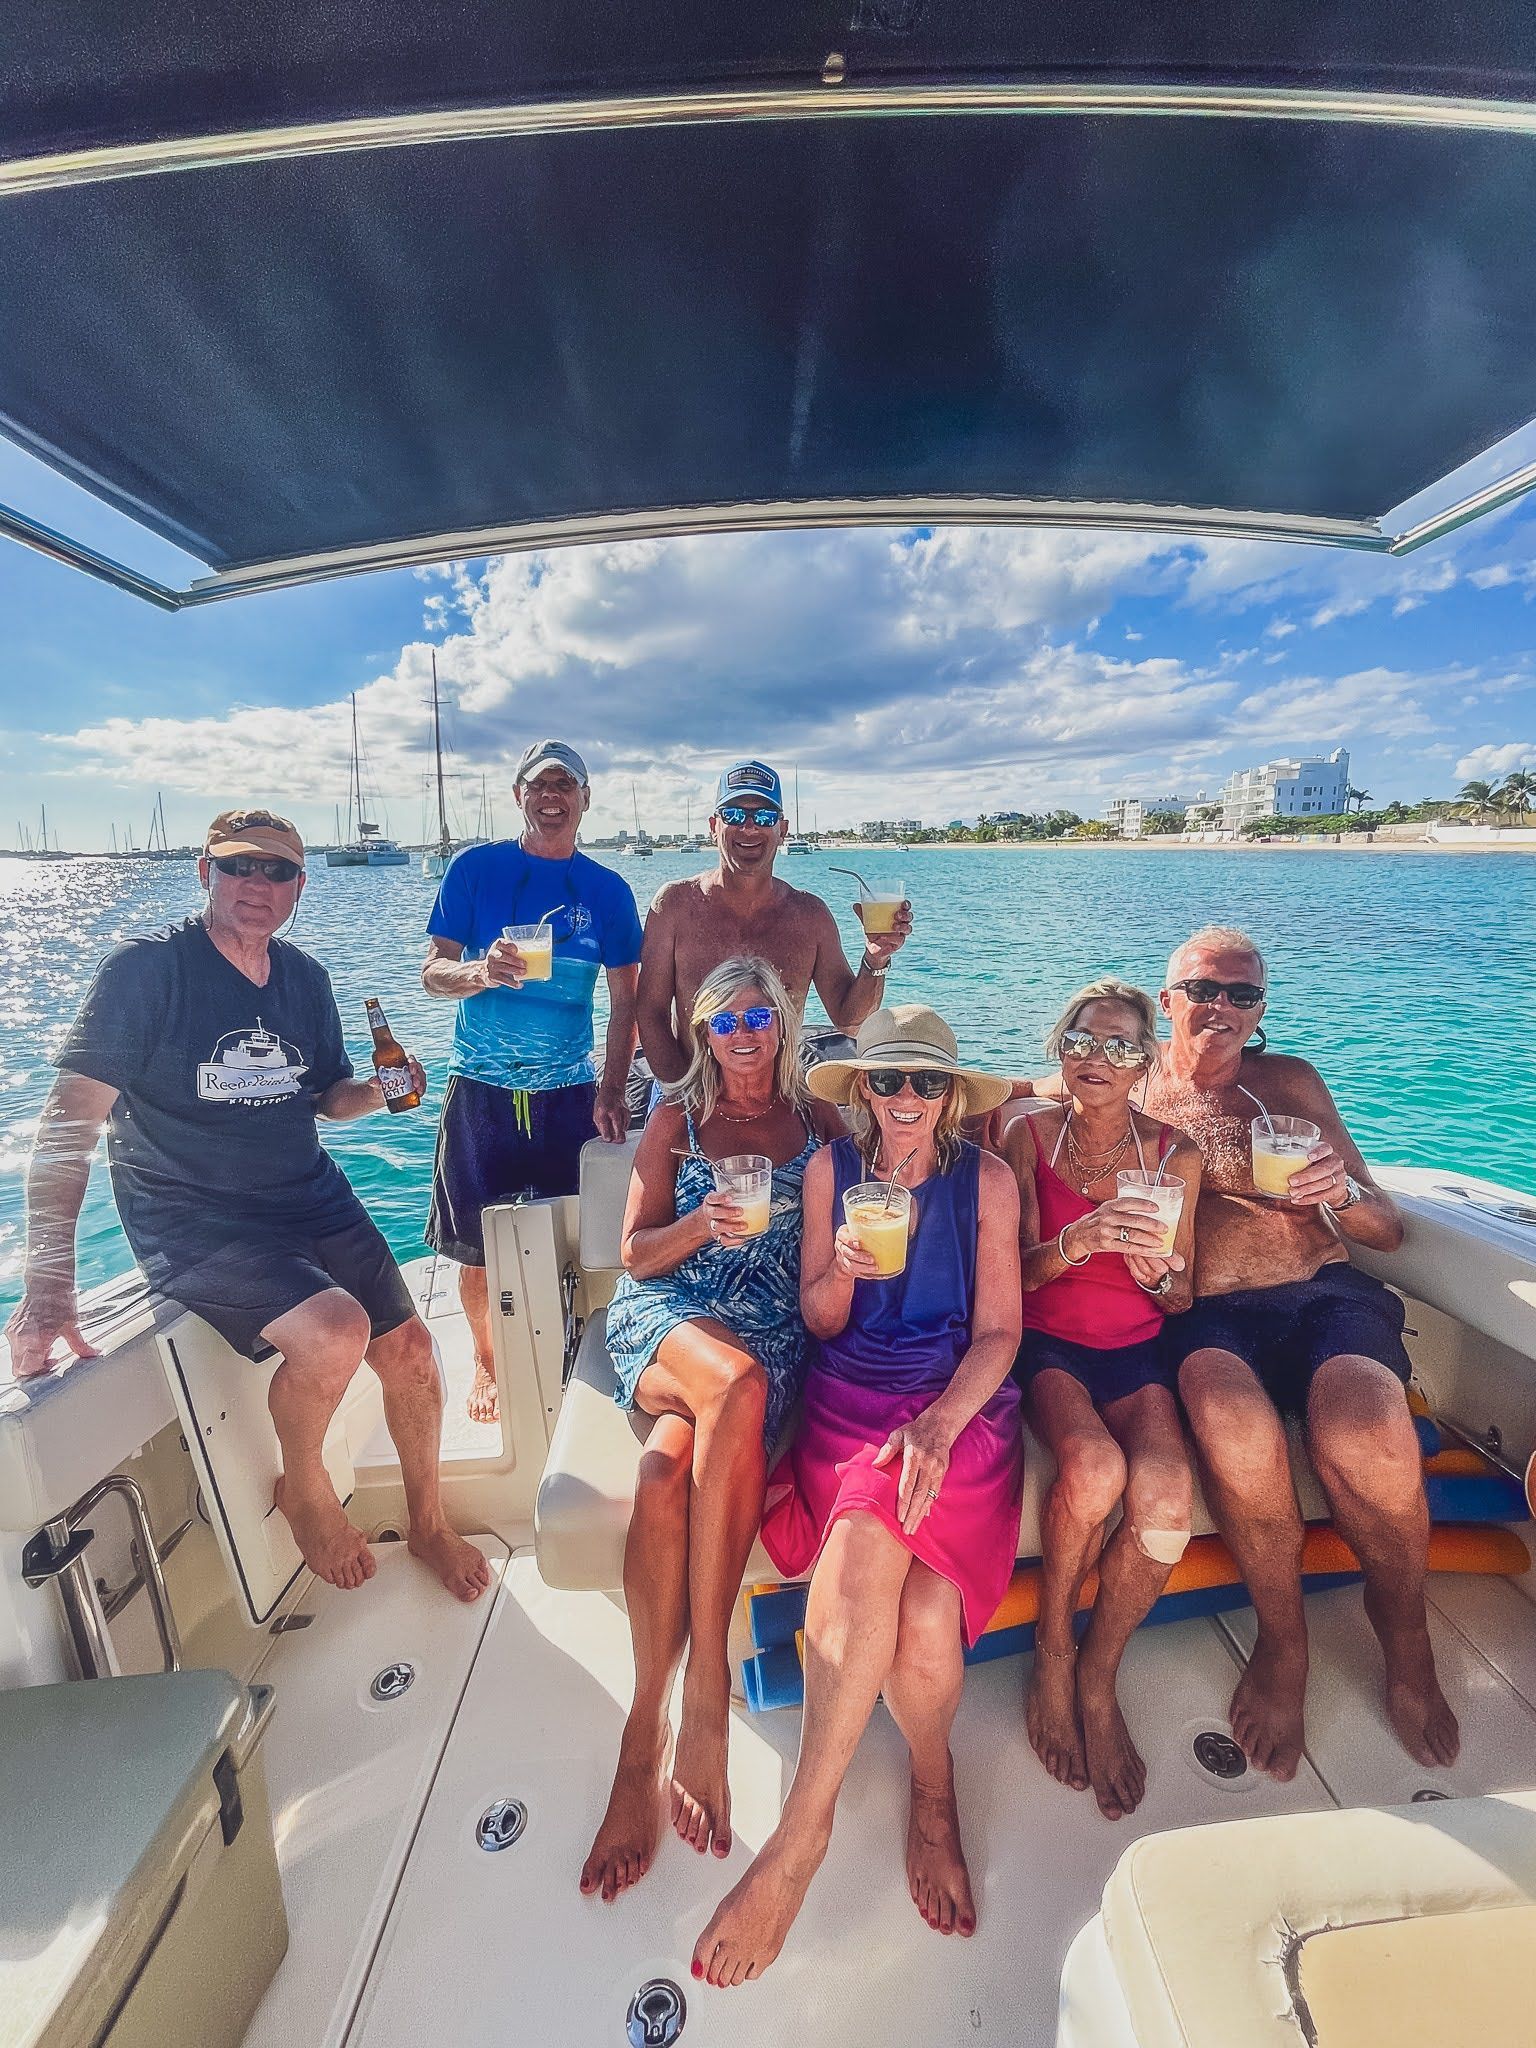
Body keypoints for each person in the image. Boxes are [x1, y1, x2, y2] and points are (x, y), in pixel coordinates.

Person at [3, 809, 488, 1603]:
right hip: (191, 1214)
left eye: (278, 871)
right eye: (240, 866)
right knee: (336, 1334)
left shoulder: (306, 979)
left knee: (411, 1356)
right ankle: (304, 1490)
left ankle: (429, 1522)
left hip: (305, 1192)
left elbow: (327, 1097)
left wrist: (378, 1094)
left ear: (300, 885)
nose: (257, 885)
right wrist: (48, 1285)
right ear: (205, 872)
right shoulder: (147, 971)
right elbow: (67, 1124)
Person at [1025, 927, 1456, 1778]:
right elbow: (1026, 1101)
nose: (1221, 1008)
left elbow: (1388, 1228)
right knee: (1235, 1429)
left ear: (1260, 1012)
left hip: (1324, 1297)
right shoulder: (1123, 1076)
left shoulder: (1287, 1084)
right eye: (1202, 990)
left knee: (1368, 1427)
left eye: (1243, 995)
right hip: (1203, 1317)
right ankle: (1284, 1642)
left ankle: (1407, 1637)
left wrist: (1343, 1194)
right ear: (1169, 997)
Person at [693, 1006, 1021, 1988]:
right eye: (888, 1082)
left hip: (956, 1404)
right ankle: (921, 1785)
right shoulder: (838, 1171)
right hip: (853, 1393)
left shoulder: (989, 1180)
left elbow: (1001, 1333)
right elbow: (821, 1317)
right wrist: (837, 1261)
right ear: (864, 1091)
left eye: (926, 1082)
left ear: (952, 1094)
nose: (906, 1100)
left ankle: (808, 1832)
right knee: (918, 1616)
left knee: (897, 1566)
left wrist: (941, 1421)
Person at [581, 957, 845, 1903]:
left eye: (759, 1017)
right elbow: (634, 1257)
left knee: (662, 1479)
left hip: (773, 1333)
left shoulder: (821, 1124)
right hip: (673, 1320)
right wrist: (704, 1227)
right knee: (728, 1385)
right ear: (702, 1031)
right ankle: (701, 1705)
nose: (742, 1033)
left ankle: (641, 1720)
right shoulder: (672, 1121)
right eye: (724, 1019)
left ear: (782, 1027)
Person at [1001, 981, 1200, 1820]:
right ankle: (1052, 1651)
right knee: (1091, 1468)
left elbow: (1181, 1298)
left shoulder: (1174, 1155)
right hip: (1046, 1344)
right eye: (1083, 1041)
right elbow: (1005, 1274)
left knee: (1165, 1500)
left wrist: (1165, 1279)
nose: (1098, 1060)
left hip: (1135, 1350)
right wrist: (1073, 1242)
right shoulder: (1025, 1134)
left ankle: (1098, 1670)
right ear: (1060, 1047)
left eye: (1121, 1046)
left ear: (1145, 1061)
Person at [422, 740, 642, 1425]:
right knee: (475, 1248)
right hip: (480, 1087)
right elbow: (433, 974)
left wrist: (611, 1089)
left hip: (568, 1092)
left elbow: (627, 1000)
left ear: (583, 799)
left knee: (575, 1236)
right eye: (539, 784)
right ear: (519, 794)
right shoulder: (476, 870)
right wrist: (481, 972)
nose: (552, 795)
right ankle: (487, 1361)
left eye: (565, 785)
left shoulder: (607, 890)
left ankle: (574, 1349)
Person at [636, 760, 911, 1085]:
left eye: (764, 817)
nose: (749, 827)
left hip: (779, 1097)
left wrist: (876, 957)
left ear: (782, 829)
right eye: (734, 815)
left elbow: (850, 1024)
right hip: (689, 1091)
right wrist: (680, 1091)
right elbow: (650, 1012)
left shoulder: (810, 916)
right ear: (713, 827)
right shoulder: (674, 906)